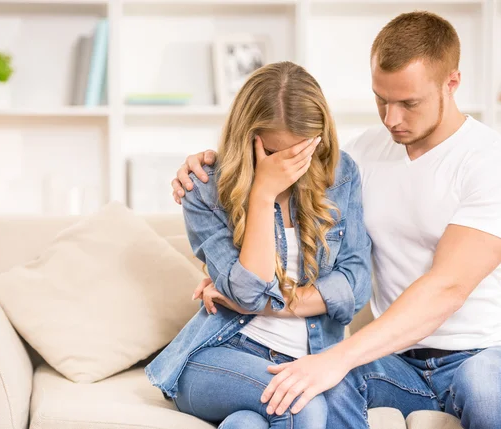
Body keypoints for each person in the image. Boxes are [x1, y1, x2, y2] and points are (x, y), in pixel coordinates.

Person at [171, 11, 501, 429]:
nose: (391, 119)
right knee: (315, 386)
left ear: (451, 83)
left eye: (409, 103)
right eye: (381, 99)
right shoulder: (360, 156)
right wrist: (204, 167)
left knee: (484, 384)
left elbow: (447, 289)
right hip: (397, 362)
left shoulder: (494, 163)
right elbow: (281, 177)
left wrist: (330, 351)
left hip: (486, 352)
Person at [145, 61, 372, 429]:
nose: (293, 168)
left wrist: (279, 304)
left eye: (303, 153)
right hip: (220, 355)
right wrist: (263, 194)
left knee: (246, 425)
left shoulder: (341, 174)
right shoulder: (203, 187)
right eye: (277, 155)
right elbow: (249, 293)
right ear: (249, 139)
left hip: (309, 358)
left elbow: (356, 286)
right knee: (304, 406)